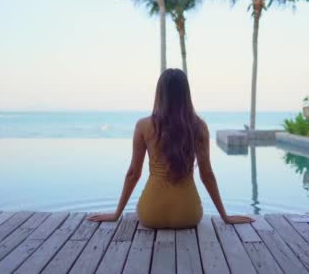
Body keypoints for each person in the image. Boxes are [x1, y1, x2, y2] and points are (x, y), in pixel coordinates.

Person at [88, 69, 253, 228]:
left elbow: (133, 174)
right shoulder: (199, 126)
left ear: (159, 93)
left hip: (150, 214)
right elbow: (207, 175)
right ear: (186, 94)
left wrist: (116, 214)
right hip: (188, 214)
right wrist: (225, 217)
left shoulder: (143, 126)